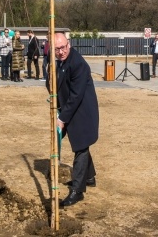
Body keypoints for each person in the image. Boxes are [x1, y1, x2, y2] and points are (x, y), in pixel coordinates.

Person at [47, 33, 99, 207]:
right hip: (71, 110)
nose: (61, 52)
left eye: (63, 47)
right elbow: (55, 86)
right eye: (57, 49)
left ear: (69, 45)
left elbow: (76, 95)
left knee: (81, 147)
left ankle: (77, 191)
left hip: (83, 111)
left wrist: (62, 118)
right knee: (81, 145)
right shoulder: (58, 62)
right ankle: (89, 177)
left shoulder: (78, 64)